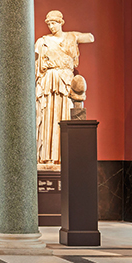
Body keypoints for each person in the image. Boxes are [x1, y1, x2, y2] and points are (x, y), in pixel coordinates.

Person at [35, 10, 94, 169]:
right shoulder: (43, 42)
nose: (51, 26)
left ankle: (63, 157)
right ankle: (47, 157)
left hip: (65, 82)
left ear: (61, 22)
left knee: (65, 116)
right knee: (48, 117)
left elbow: (89, 37)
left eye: (53, 23)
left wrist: (77, 36)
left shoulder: (70, 37)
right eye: (48, 24)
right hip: (49, 81)